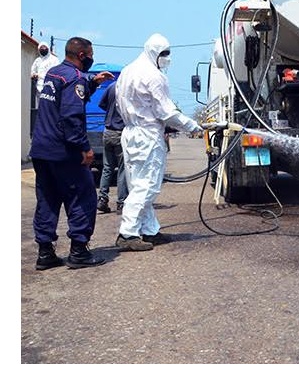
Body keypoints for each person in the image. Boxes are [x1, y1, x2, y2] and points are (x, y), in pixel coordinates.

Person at [30, 37, 115, 270]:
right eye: (90, 54)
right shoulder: (75, 79)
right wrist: (84, 148)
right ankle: (79, 251)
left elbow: (65, 96)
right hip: (63, 151)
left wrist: (94, 82)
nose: (91, 58)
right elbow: (71, 116)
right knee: (83, 196)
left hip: (41, 149)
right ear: (82, 55)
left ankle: (45, 252)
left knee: (47, 199)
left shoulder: (54, 74)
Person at [115, 33, 203, 251]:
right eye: (164, 53)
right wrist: (192, 126)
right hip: (148, 135)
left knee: (138, 183)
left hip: (131, 133)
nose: (167, 58)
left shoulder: (127, 71)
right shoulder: (154, 76)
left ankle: (149, 230)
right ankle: (128, 233)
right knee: (148, 186)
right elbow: (166, 112)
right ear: (154, 53)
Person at [96, 81, 128, 214]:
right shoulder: (127, 88)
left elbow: (101, 104)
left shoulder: (111, 86)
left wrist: (111, 112)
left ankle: (102, 199)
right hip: (120, 132)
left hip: (107, 131)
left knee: (107, 167)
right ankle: (121, 203)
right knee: (122, 169)